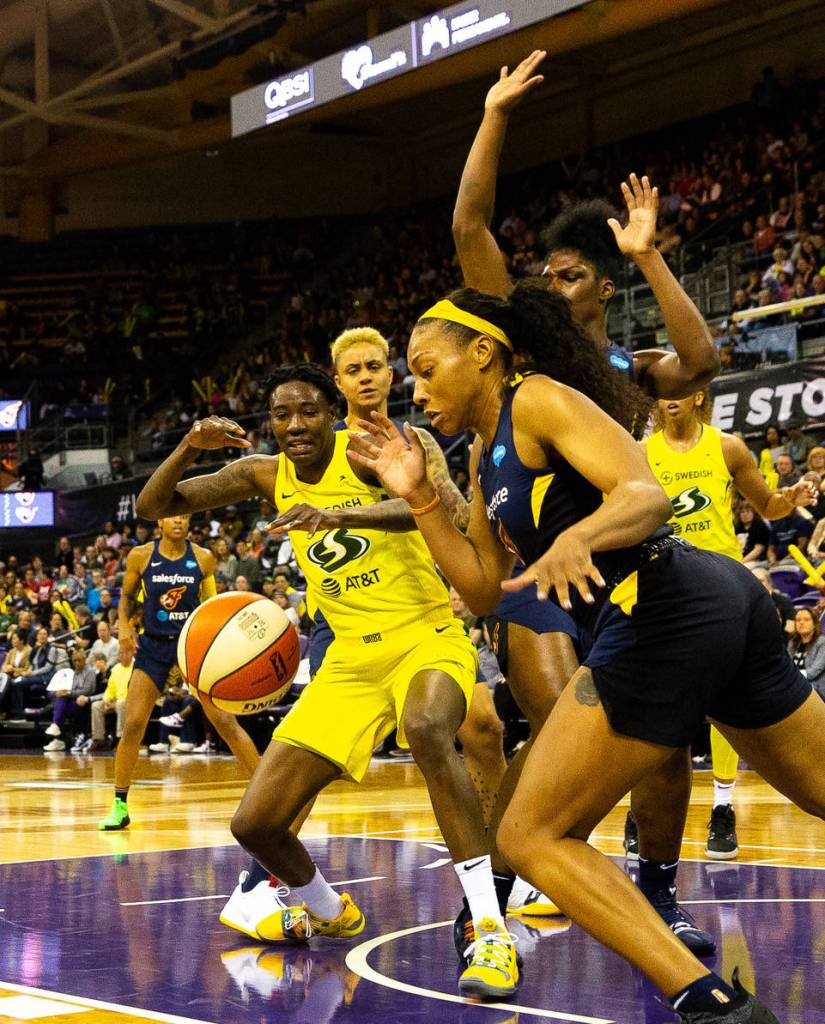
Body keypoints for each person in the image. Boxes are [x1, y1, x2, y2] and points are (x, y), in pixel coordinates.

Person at [349, 281, 824, 1023]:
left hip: (663, 605)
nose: (417, 389)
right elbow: (482, 588)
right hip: (708, 608)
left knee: (528, 834)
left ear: (484, 354)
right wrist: (419, 496)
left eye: (427, 368)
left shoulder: (537, 398)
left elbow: (643, 494)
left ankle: (712, 1006)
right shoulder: (483, 457)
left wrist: (580, 535)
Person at [134, 364, 517, 1001]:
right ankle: (326, 908)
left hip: (424, 635)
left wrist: (340, 514)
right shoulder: (263, 473)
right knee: (255, 823)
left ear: (330, 415)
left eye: (308, 411)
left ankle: (489, 928)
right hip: (349, 661)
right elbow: (154, 506)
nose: (295, 425)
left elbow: (427, 507)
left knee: (427, 727)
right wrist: (188, 447)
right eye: (282, 414)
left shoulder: (364, 452)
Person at [451, 50, 721, 950]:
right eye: (546, 273)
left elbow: (701, 361)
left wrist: (648, 257)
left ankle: (657, 891)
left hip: (619, 569)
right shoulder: (522, 348)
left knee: (662, 742)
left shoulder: (624, 370)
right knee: (560, 715)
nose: (549, 284)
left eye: (569, 275)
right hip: (534, 571)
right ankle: (493, 891)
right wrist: (494, 116)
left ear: (603, 289)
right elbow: (469, 224)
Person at [645, 389, 816, 859]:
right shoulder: (640, 452)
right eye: (662, 392)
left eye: (680, 389)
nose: (670, 399)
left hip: (721, 584)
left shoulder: (727, 447)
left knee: (723, 699)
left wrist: (790, 497)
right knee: (657, 702)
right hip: (663, 582)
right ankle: (646, 804)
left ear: (699, 393)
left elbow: (768, 506)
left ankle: (722, 807)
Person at [97, 514, 260, 830]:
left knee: (225, 721)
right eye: (173, 516)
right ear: (160, 521)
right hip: (153, 646)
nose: (179, 521)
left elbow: (212, 605)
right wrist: (125, 628)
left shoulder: (203, 557)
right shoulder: (141, 555)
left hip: (192, 645)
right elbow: (127, 597)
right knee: (133, 723)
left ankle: (268, 795)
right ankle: (120, 805)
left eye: (184, 517)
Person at [43, 647, 96, 751]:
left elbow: (88, 690)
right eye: (74, 660)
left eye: (79, 660)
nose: (77, 663)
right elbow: (70, 687)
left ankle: (58, 736)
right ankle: (57, 733)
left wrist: (68, 693)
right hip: (73, 700)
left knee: (60, 704)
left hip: (85, 701)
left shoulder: (90, 671)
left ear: (85, 659)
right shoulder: (74, 672)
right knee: (61, 702)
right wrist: (63, 691)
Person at [89, 646, 133, 752]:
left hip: (130, 702)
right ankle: (99, 740)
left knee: (121, 703)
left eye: (124, 653)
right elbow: (110, 688)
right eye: (120, 654)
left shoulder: (135, 668)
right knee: (96, 706)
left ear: (131, 654)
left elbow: (134, 691)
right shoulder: (116, 668)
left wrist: (114, 703)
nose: (121, 656)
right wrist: (106, 700)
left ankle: (121, 739)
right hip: (116, 701)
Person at [789, 608, 825, 696]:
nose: (801, 622)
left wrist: (791, 677)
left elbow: (815, 671)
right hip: (794, 685)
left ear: (814, 624)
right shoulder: (792, 643)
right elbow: (787, 666)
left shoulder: (822, 642)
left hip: (816, 689)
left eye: (806, 619)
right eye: (798, 620)